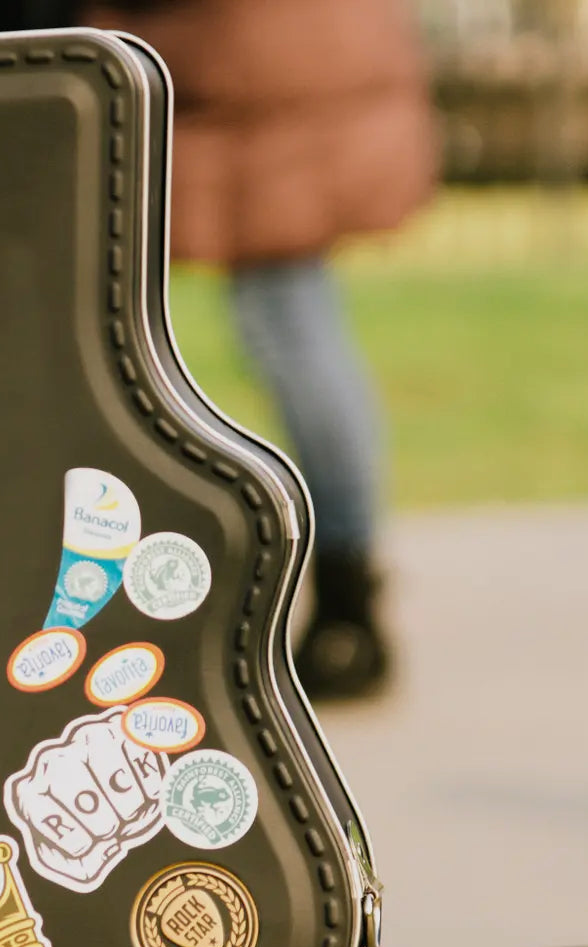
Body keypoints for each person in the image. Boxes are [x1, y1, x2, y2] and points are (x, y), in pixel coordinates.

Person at [84, 0, 438, 699]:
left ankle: (346, 605)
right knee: (293, 322)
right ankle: (347, 593)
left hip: (265, 77)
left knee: (290, 327)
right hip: (295, 64)